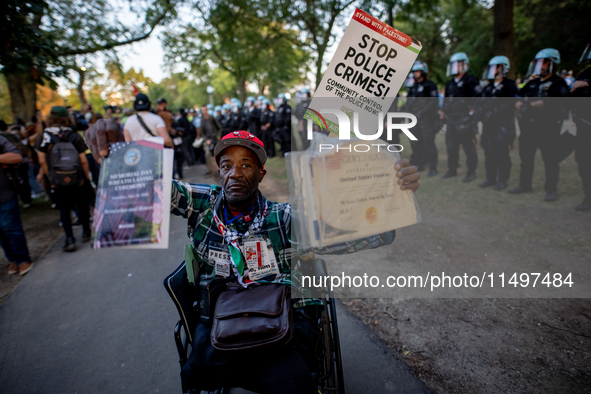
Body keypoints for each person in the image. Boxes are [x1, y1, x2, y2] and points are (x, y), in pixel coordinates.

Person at [84, 120, 420, 393]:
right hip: (217, 323)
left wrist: (391, 195)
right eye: (227, 165)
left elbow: (346, 232)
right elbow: (155, 189)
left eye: (246, 165)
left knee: (294, 383)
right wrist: (118, 156)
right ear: (218, 171)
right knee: (197, 373)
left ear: (261, 173)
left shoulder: (282, 217)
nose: (235, 173)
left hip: (277, 328)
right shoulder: (202, 205)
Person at [507, 48, 569, 202]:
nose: (540, 66)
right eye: (539, 63)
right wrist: (520, 103)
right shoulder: (532, 82)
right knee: (526, 158)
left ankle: (551, 190)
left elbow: (555, 103)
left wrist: (531, 104)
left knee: (550, 160)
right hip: (529, 127)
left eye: (543, 63)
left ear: (553, 63)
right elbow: (518, 96)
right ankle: (524, 185)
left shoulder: (558, 83)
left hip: (548, 128)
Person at [35, 106, 91, 251]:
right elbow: (83, 160)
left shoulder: (44, 138)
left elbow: (42, 161)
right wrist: (86, 177)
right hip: (77, 177)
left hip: (57, 181)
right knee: (82, 205)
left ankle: (70, 238)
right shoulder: (73, 136)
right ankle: (86, 231)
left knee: (64, 209)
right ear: (67, 118)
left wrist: (51, 178)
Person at [478, 56, 518, 191]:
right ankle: (490, 178)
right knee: (489, 152)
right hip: (488, 125)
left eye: (495, 67)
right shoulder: (487, 87)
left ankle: (502, 180)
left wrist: (497, 110)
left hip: (502, 125)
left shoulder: (510, 86)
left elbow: (512, 104)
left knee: (502, 153)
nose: (492, 71)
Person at [440, 52, 481, 182]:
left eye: (457, 64)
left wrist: (472, 118)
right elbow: (446, 101)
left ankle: (471, 171)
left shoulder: (472, 81)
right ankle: (452, 169)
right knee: (451, 146)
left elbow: (477, 101)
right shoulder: (450, 83)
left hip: (465, 120)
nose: (454, 67)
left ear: (464, 65)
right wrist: (443, 112)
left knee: (468, 146)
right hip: (451, 120)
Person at [0, 135, 33, 275]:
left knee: (9, 226)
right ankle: (12, 259)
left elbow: (16, 156)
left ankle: (22, 259)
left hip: (4, 192)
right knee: (1, 231)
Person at [404, 61, 440, 176]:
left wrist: (421, 113)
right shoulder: (413, 87)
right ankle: (420, 163)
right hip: (414, 120)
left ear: (423, 72)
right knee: (415, 143)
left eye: (418, 71)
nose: (415, 74)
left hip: (426, 120)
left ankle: (432, 167)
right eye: (414, 72)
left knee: (428, 143)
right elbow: (409, 102)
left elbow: (433, 102)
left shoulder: (430, 85)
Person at [569, 45, 591, 211]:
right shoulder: (584, 74)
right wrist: (573, 89)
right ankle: (588, 197)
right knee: (584, 162)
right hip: (584, 127)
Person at [199, 104, 222, 177]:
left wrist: (218, 135)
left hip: (215, 138)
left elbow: (219, 128)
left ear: (207, 110)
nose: (204, 111)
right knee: (207, 154)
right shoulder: (202, 120)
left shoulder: (212, 118)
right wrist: (206, 140)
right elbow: (202, 132)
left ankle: (222, 170)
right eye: (203, 110)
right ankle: (210, 171)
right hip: (207, 140)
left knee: (220, 153)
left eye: (205, 110)